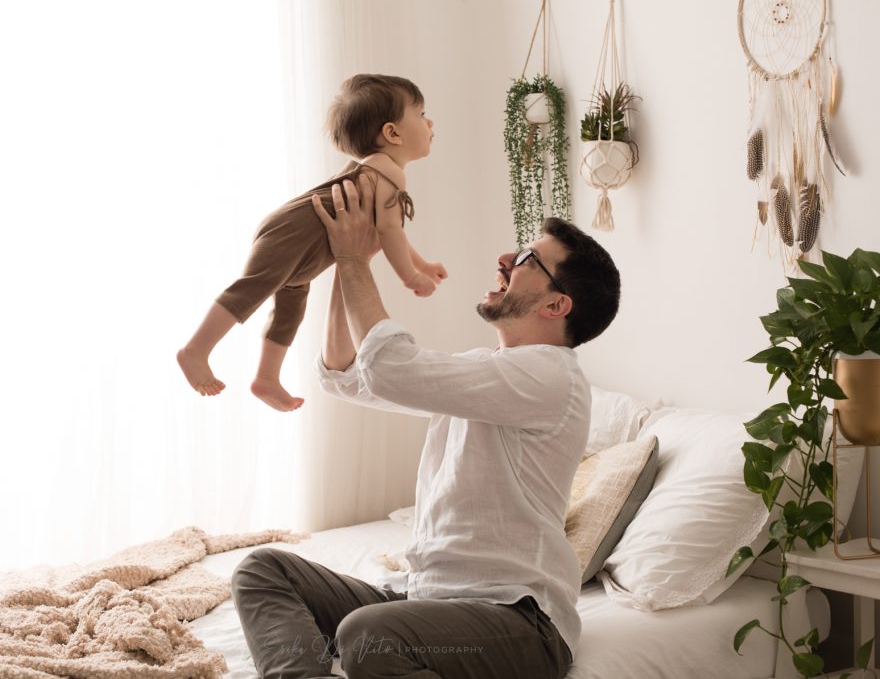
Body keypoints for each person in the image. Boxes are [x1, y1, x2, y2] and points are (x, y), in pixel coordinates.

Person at [229, 176, 622, 678]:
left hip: (522, 622)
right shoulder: (488, 372)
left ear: (555, 305)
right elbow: (348, 376)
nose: (505, 259)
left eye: (526, 258)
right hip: (430, 600)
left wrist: (352, 260)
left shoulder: (551, 376)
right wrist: (350, 262)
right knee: (264, 570)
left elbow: (392, 368)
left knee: (367, 634)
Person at [176, 74, 447, 412]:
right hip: (292, 234)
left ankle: (267, 379)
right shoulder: (388, 172)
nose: (430, 121)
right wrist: (410, 276)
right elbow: (391, 232)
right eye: (421, 114)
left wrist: (422, 265)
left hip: (305, 248)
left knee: (290, 309)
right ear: (392, 133)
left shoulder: (377, 170)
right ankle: (196, 350)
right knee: (251, 290)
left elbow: (389, 231)